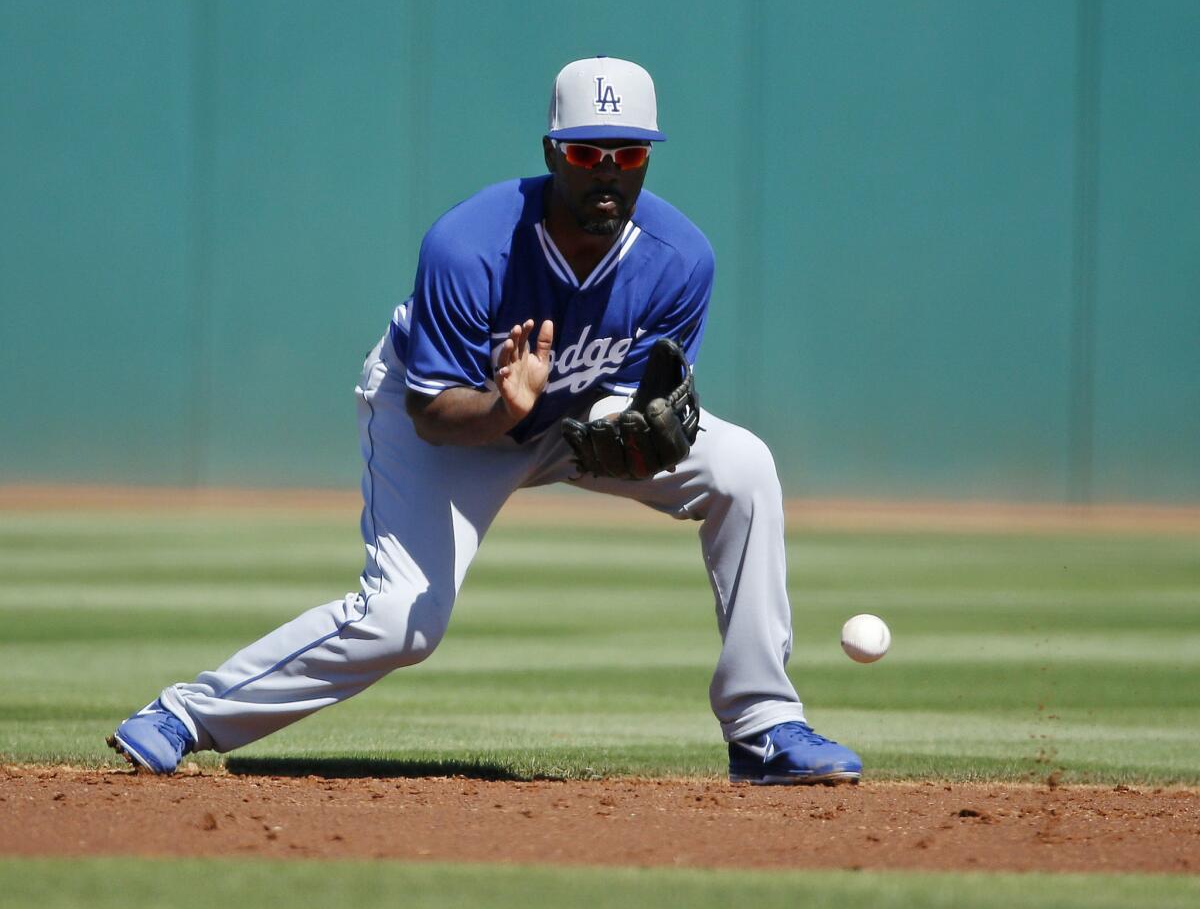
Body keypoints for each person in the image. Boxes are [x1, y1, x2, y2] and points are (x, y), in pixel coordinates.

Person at [108, 56, 863, 785]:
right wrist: (506, 405)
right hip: (446, 418)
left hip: (569, 422)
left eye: (628, 153)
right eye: (587, 150)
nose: (607, 170)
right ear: (552, 152)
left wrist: (632, 436)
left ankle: (763, 725)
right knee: (404, 617)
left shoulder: (680, 258)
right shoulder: (469, 246)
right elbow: (433, 413)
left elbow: (635, 405)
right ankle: (185, 714)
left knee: (744, 467)